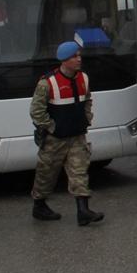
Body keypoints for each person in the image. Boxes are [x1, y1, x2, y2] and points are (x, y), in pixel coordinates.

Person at [29, 41, 104, 226]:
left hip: (77, 136)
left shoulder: (83, 78)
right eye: (74, 56)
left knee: (79, 172)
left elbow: (87, 100)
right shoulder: (48, 83)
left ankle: (83, 210)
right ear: (64, 60)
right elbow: (36, 111)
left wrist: (87, 118)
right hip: (55, 139)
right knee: (46, 174)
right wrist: (51, 127)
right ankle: (39, 205)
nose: (79, 59)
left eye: (79, 55)